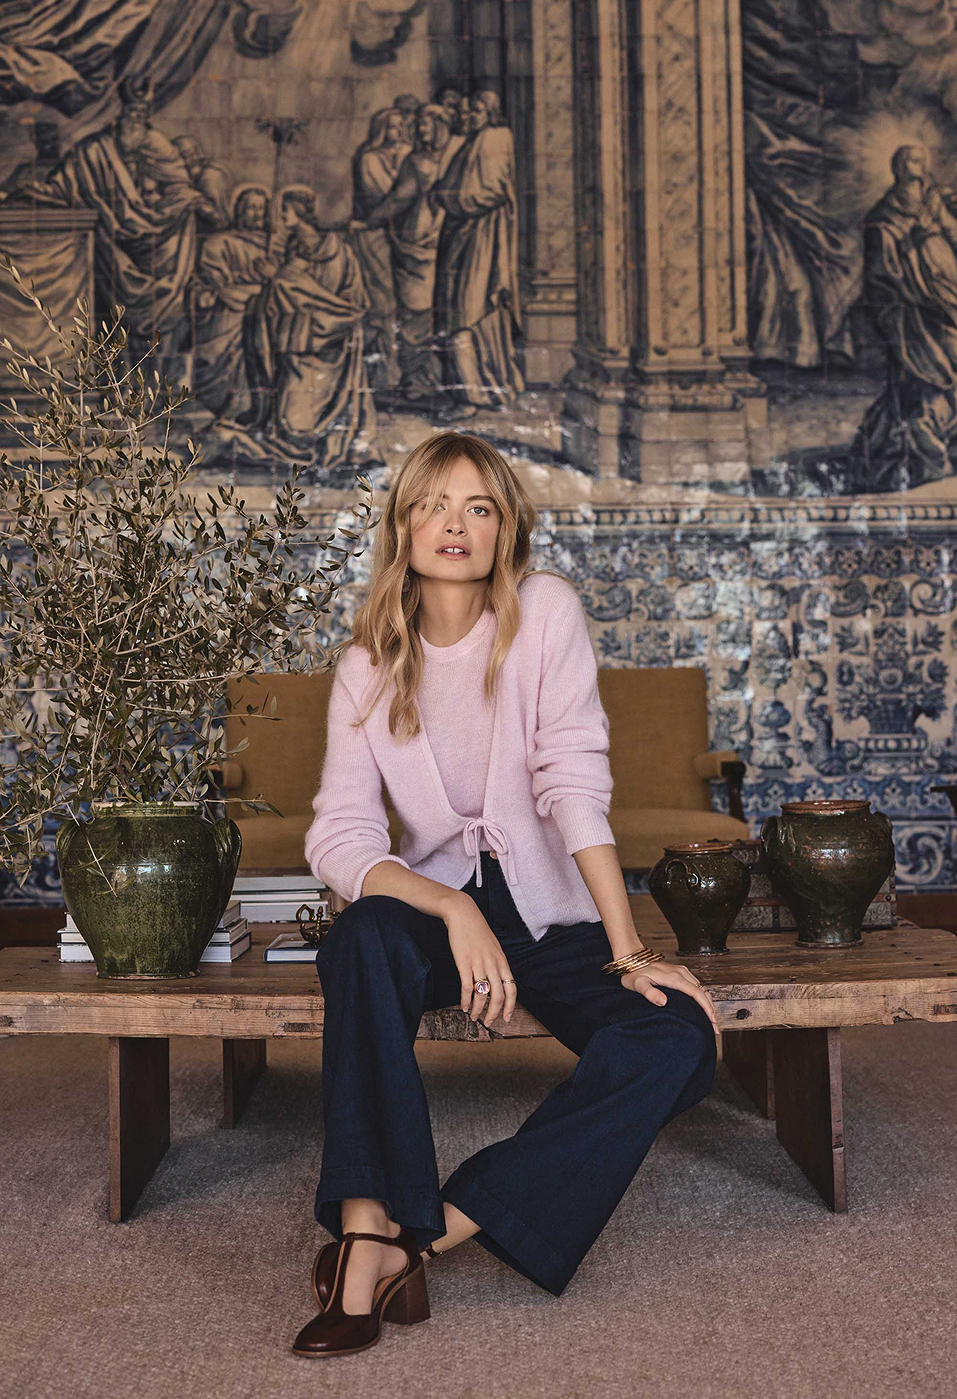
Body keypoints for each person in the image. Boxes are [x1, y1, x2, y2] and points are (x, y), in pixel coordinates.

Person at [294, 431, 719, 1358]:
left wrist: (629, 951)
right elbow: (340, 835)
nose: (454, 524)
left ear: (504, 530)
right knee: (359, 939)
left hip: (548, 916)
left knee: (679, 1038)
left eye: (478, 506)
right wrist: (451, 908)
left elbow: (573, 781)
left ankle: (433, 1231)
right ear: (403, 526)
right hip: (437, 917)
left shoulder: (544, 613)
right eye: (433, 504)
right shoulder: (366, 665)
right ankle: (364, 1227)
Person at [239, 185, 373, 471]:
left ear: (300, 213)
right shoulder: (296, 249)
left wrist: (277, 276)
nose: (280, 217)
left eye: (285, 211)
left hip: (325, 337)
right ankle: (292, 446)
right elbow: (291, 294)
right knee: (289, 403)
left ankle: (302, 447)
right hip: (296, 337)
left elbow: (311, 294)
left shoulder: (336, 251)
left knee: (299, 410)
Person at [850, 144, 957, 491]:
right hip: (913, 313)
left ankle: (941, 445)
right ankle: (925, 456)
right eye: (911, 159)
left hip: (947, 298)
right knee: (929, 374)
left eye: (922, 160)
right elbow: (883, 275)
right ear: (898, 166)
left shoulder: (934, 203)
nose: (919, 164)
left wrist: (941, 223)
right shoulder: (883, 218)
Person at [352, 103, 465, 402]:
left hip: (437, 239)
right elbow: (396, 199)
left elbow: (398, 200)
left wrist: (370, 221)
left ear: (441, 125)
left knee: (430, 310)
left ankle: (436, 377)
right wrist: (372, 220)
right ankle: (417, 378)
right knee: (417, 311)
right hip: (418, 242)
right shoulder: (426, 159)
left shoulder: (438, 158)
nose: (419, 132)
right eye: (418, 127)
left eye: (425, 126)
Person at [432, 90, 524, 417]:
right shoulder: (472, 141)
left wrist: (446, 198)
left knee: (466, 314)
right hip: (464, 237)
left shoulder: (494, 139)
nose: (469, 116)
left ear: (491, 114)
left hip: (481, 238)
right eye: (467, 111)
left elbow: (489, 192)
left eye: (477, 110)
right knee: (461, 313)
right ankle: (484, 389)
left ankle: (472, 397)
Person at [191, 185, 270, 420]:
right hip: (229, 313)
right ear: (239, 211)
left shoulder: (272, 245)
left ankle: (256, 409)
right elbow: (218, 284)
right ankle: (229, 408)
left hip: (261, 309)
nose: (256, 214)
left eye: (261, 209)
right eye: (251, 208)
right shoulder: (219, 242)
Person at [351, 107, 412, 391]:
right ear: (380, 130)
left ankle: (407, 371)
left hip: (407, 237)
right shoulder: (369, 158)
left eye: (400, 126)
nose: (396, 132)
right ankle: (382, 373)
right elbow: (384, 196)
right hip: (375, 237)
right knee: (382, 303)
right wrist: (405, 175)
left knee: (408, 302)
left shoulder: (408, 153)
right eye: (391, 127)